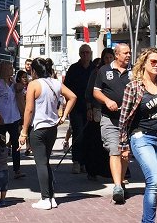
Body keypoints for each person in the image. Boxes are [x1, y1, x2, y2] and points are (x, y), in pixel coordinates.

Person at [118, 48, 157, 222]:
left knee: (152, 183)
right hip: (141, 137)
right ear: (144, 63)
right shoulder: (133, 86)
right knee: (154, 179)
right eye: (153, 62)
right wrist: (123, 145)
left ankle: (147, 219)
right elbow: (124, 119)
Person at [19, 58, 77, 210]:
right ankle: (50, 197)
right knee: (46, 162)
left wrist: (24, 131)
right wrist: (64, 116)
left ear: (33, 71)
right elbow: (73, 97)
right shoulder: (56, 83)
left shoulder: (34, 84)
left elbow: (29, 109)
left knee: (41, 163)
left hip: (38, 127)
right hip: (52, 127)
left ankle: (46, 198)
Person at [93, 43, 132, 204]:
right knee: (115, 150)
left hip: (129, 120)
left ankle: (121, 181)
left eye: (129, 53)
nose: (128, 55)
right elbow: (96, 91)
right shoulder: (104, 70)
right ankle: (117, 186)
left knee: (125, 154)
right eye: (125, 53)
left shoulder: (134, 72)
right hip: (110, 118)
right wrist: (107, 101)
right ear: (117, 55)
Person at [84, 49, 115, 180]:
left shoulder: (118, 72)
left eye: (110, 57)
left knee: (112, 142)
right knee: (96, 142)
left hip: (113, 112)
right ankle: (93, 170)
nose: (108, 60)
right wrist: (89, 108)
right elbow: (89, 92)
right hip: (97, 111)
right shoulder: (97, 72)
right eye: (106, 58)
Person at [64, 43, 94, 174]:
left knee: (89, 135)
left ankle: (85, 162)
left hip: (91, 107)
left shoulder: (95, 69)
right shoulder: (73, 69)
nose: (85, 55)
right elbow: (66, 88)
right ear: (79, 54)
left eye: (87, 53)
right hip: (77, 107)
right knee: (78, 134)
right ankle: (76, 161)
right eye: (83, 53)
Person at [0, 62, 24, 179]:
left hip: (14, 117)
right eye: (9, 67)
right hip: (2, 118)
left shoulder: (13, 83)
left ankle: (17, 169)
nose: (11, 69)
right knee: (1, 144)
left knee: (15, 143)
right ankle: (1, 168)